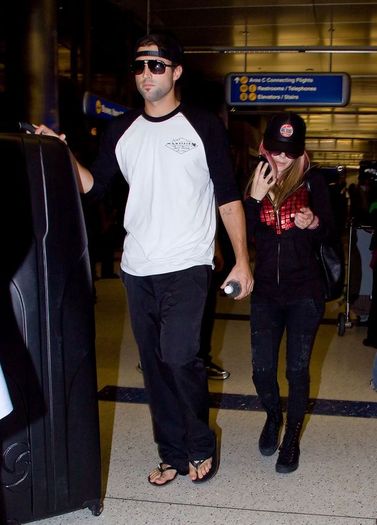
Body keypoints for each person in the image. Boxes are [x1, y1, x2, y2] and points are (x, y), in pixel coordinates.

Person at [35, 32, 252, 485]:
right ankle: (171, 454)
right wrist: (62, 152)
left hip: (189, 262)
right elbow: (95, 188)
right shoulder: (122, 130)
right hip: (138, 267)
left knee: (179, 357)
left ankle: (200, 445)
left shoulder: (202, 125)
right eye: (139, 66)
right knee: (154, 367)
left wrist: (241, 260)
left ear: (176, 72)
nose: (146, 73)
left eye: (156, 65)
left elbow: (228, 197)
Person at [244, 112, 334, 474]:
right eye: (277, 150)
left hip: (304, 292)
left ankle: (292, 437)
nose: (282, 159)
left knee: (297, 371)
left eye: (290, 152)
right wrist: (253, 200)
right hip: (265, 291)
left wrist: (313, 223)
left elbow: (329, 232)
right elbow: (239, 236)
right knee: (262, 369)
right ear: (265, 147)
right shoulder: (252, 180)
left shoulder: (314, 183)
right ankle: (271, 415)